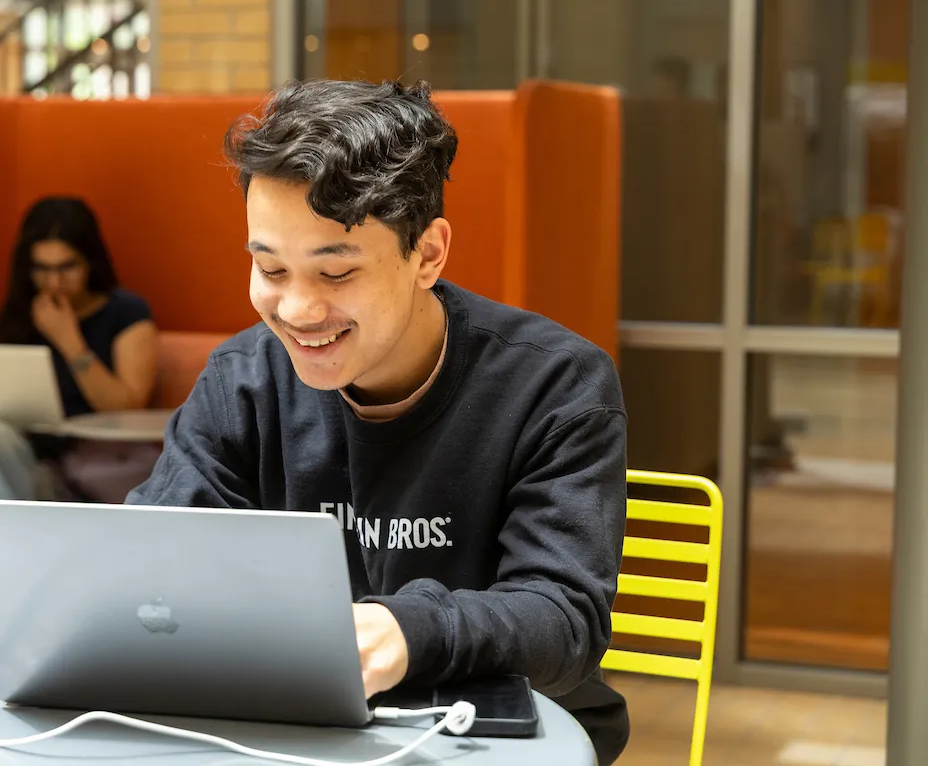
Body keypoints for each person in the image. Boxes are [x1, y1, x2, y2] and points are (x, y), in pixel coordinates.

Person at [125, 79, 630, 764]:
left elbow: (564, 620)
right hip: (294, 738)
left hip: (494, 742)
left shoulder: (555, 385)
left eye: (336, 275)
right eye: (270, 268)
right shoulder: (243, 379)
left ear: (428, 254)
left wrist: (410, 630)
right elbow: (155, 551)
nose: (298, 311)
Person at [0, 196, 159, 571]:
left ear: (90, 262)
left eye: (67, 267)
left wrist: (69, 341)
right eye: (41, 268)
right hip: (24, 462)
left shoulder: (127, 313)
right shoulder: (19, 315)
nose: (54, 282)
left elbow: (125, 408)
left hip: (88, 470)